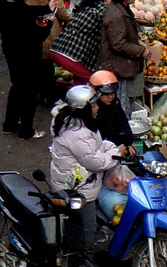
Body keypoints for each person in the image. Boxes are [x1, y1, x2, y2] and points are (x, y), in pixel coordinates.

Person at [49, 84, 129, 245]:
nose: (96, 107)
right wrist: (117, 153)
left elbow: (97, 146)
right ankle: (84, 258)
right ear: (81, 109)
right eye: (92, 104)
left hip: (78, 180)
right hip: (77, 189)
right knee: (87, 233)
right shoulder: (77, 133)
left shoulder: (78, 123)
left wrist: (112, 148)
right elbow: (96, 162)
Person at [0, 0, 52, 140]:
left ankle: (10, 124)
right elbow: (37, 34)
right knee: (29, 91)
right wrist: (48, 23)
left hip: (11, 52)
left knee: (17, 86)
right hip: (28, 55)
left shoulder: (2, 3)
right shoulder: (20, 13)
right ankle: (26, 130)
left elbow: (27, 11)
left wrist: (46, 7)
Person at [21, 0, 70, 102]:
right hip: (46, 24)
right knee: (46, 63)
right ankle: (48, 95)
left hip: (29, 22)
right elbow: (59, 6)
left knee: (38, 62)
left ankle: (42, 92)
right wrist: (70, 19)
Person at [97, 0, 153, 114]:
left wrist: (138, 41)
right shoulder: (117, 14)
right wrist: (140, 51)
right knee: (122, 107)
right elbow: (118, 44)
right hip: (119, 67)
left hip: (124, 65)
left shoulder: (121, 8)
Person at [50, 0, 110, 82]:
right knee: (95, 81)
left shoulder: (90, 3)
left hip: (58, 49)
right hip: (71, 55)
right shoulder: (103, 9)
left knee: (80, 83)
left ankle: (71, 97)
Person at [88, 69, 134, 148]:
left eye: (113, 93)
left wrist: (128, 142)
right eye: (106, 94)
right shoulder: (91, 111)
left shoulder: (115, 103)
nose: (111, 97)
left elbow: (123, 122)